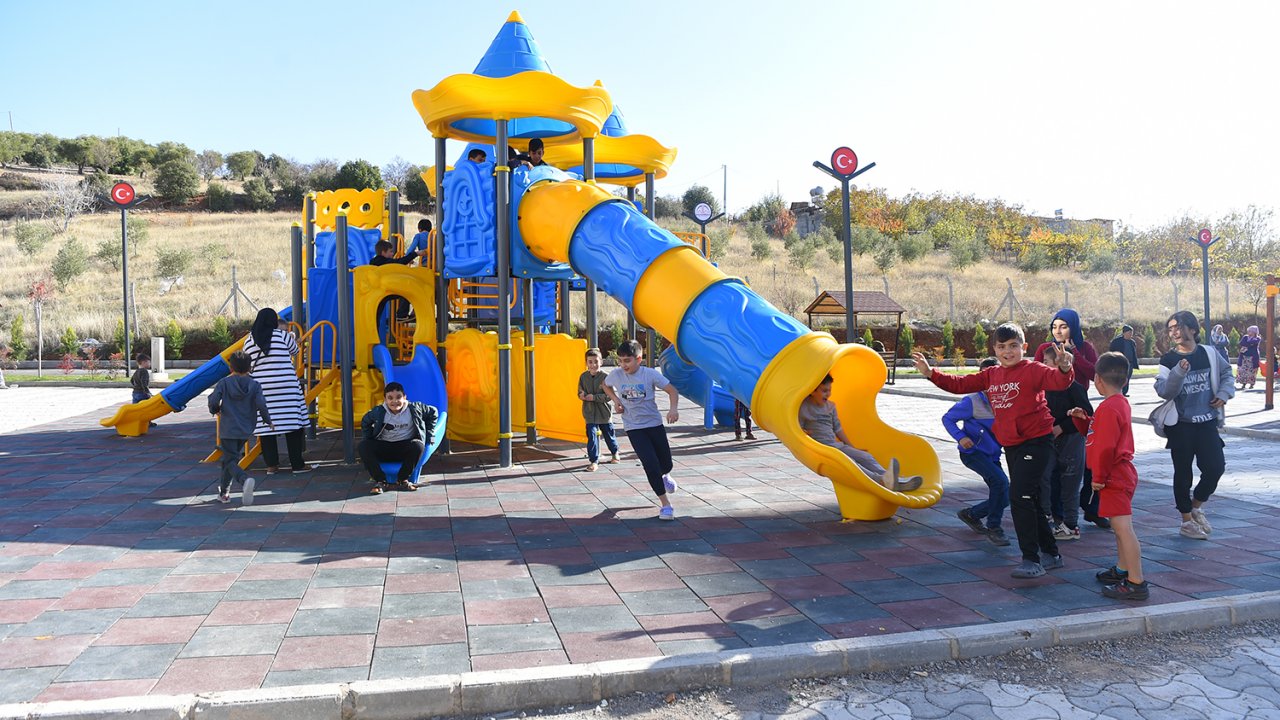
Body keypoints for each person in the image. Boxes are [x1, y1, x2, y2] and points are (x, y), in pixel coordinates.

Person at [914, 322, 1074, 579]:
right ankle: (1052, 554)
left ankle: (1031, 559)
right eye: (1001, 347)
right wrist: (930, 373)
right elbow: (959, 384)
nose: (1007, 352)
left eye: (1013, 346)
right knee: (1028, 499)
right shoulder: (991, 375)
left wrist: (1065, 367)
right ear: (995, 349)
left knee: (1019, 496)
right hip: (1012, 444)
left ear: (1024, 347)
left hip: (1036, 441)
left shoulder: (1033, 370)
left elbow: (1058, 381)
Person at [1069, 352, 1147, 600]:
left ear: (1097, 379)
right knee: (1118, 527)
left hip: (1114, 475)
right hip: (1120, 473)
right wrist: (1085, 422)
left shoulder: (1107, 408)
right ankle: (1123, 570)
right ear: (1125, 380)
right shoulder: (1118, 404)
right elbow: (1100, 433)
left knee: (1124, 529)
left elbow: (1104, 447)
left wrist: (1098, 477)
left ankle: (1136, 582)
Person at [1155, 310, 1234, 539]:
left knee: (1216, 467)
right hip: (1180, 424)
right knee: (1183, 473)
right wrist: (1178, 372)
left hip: (1207, 421)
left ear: (1192, 329)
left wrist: (1224, 393)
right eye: (1170, 329)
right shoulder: (1169, 360)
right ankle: (1186, 521)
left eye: (1178, 327)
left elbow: (1227, 373)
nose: (1174, 332)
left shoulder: (1208, 353)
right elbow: (1164, 391)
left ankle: (1196, 505)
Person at [1034, 308, 1103, 530]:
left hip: (1075, 413)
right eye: (1054, 327)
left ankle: (1087, 512)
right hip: (1049, 413)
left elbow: (1093, 372)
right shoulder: (1046, 349)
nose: (1058, 331)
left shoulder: (1084, 348)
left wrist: (1074, 355)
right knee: (1050, 472)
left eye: (1063, 326)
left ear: (1073, 327)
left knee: (1081, 470)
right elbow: (1035, 375)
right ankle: (1055, 516)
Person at [799, 375, 923, 493]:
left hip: (836, 446)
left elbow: (838, 429)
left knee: (864, 456)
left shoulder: (831, 406)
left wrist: (851, 447)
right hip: (822, 449)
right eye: (824, 390)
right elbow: (797, 427)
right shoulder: (804, 407)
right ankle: (881, 481)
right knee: (851, 463)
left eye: (829, 390)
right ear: (812, 391)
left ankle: (894, 479)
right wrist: (804, 433)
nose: (828, 394)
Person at [601, 340, 680, 520]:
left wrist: (673, 409)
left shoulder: (650, 374)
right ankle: (666, 505)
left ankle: (665, 474)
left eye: (627, 360)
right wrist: (616, 400)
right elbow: (605, 385)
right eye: (620, 360)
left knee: (666, 463)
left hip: (654, 424)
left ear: (639, 359)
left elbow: (672, 390)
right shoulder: (616, 374)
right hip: (633, 427)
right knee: (650, 464)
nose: (623, 365)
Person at [943, 357, 1010, 546]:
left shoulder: (1005, 400)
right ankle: (994, 527)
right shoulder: (972, 402)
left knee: (1005, 496)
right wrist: (961, 437)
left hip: (993, 453)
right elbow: (948, 418)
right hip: (973, 453)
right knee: (1000, 482)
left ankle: (972, 514)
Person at [243, 308, 310, 474]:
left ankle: (272, 465)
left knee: (266, 428)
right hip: (286, 387)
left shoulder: (249, 341)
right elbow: (295, 351)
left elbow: (247, 364)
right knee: (293, 426)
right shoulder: (282, 336)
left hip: (262, 389)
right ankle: (297, 465)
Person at [1039, 343, 1094, 541]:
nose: (1042, 365)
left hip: (1071, 440)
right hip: (1049, 441)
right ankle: (1045, 516)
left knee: (1070, 482)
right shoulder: (1044, 386)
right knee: (1044, 477)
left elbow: (1087, 413)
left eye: (1046, 362)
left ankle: (1071, 524)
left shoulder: (1073, 386)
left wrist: (1062, 427)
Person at [208, 351, 272, 505]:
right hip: (246, 428)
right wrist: (267, 420)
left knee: (230, 460)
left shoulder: (224, 383)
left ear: (231, 367)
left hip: (228, 427)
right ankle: (224, 493)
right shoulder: (255, 384)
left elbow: (213, 399)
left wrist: (214, 409)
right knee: (229, 460)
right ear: (250, 367)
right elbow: (262, 404)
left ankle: (244, 480)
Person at [358, 381, 439, 494]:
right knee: (363, 446)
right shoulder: (379, 411)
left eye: (398, 397)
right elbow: (365, 421)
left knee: (418, 445)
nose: (395, 401)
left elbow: (433, 412)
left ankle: (403, 479)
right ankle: (381, 481)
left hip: (405, 446)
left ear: (405, 397)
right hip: (385, 446)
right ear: (385, 400)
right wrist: (369, 437)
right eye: (390, 398)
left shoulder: (415, 408)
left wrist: (430, 434)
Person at [578, 348, 619, 471]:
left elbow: (609, 396)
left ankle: (615, 452)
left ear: (601, 362)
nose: (593, 364)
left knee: (608, 435)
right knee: (592, 436)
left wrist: (594, 397)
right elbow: (579, 391)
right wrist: (581, 395)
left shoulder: (606, 377)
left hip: (604, 414)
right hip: (589, 413)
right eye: (590, 362)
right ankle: (594, 461)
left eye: (596, 361)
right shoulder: (583, 377)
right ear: (586, 363)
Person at [1108, 325, 1139, 396]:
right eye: (1130, 332)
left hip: (1130, 363)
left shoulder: (1132, 342)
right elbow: (1111, 351)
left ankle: (1124, 392)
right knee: (1120, 378)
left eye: (1132, 332)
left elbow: (1134, 353)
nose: (1131, 334)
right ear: (1124, 332)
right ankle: (1117, 392)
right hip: (1120, 363)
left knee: (1127, 378)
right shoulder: (1116, 341)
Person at [1238, 325, 1262, 390]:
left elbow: (1253, 343)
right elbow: (1241, 343)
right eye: (1248, 331)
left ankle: (1251, 384)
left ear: (1254, 332)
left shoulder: (1257, 338)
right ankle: (1244, 383)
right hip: (1244, 357)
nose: (1248, 332)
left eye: (1250, 331)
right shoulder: (1245, 337)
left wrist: (1248, 344)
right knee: (1243, 370)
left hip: (1252, 357)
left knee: (1252, 371)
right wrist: (1249, 344)